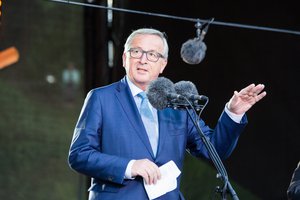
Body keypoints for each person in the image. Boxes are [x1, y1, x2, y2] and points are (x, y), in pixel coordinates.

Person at [68, 28, 267, 200]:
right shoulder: (101, 98)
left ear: (163, 64)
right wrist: (130, 166)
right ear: (124, 58)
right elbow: (79, 155)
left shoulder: (177, 103)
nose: (143, 60)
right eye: (136, 51)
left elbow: (213, 150)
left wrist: (233, 113)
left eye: (152, 54)